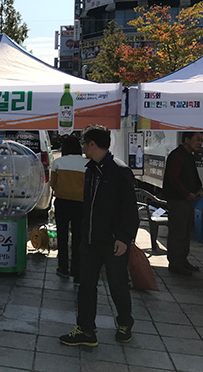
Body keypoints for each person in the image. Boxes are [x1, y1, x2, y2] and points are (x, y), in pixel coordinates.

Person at [60, 125, 139, 346]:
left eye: (84, 143)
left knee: (117, 285)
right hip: (91, 241)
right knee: (86, 286)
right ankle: (86, 330)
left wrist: (124, 238)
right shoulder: (91, 170)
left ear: (92, 144)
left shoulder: (119, 172)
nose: (83, 147)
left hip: (114, 243)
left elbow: (130, 211)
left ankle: (125, 323)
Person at [162, 132, 203, 276]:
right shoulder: (178, 155)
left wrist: (195, 191)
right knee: (178, 232)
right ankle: (175, 263)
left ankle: (182, 259)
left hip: (187, 200)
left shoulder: (188, 156)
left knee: (185, 232)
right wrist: (186, 193)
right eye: (197, 139)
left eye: (201, 140)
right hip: (178, 200)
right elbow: (173, 179)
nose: (200, 143)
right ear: (187, 140)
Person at [50, 135, 88, 281]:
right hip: (81, 205)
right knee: (78, 237)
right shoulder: (87, 163)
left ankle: (63, 268)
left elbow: (52, 184)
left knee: (62, 236)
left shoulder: (58, 162)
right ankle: (77, 271)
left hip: (62, 203)